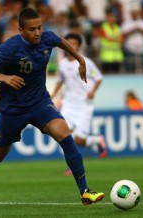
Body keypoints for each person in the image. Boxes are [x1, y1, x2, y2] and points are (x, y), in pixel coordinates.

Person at [0, 7, 104, 213]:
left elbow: (60, 40)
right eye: (32, 29)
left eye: (39, 28)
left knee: (64, 133)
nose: (37, 33)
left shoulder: (46, 38)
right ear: (20, 30)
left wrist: (80, 59)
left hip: (40, 102)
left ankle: (85, 191)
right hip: (14, 109)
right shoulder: (9, 48)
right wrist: (4, 77)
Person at [51, 33, 107, 175]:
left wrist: (93, 90)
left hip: (84, 104)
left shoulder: (85, 61)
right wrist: (52, 95)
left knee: (80, 140)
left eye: (74, 43)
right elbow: (60, 81)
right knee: (62, 135)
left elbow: (99, 77)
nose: (71, 46)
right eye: (69, 43)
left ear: (79, 45)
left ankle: (97, 140)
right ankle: (70, 166)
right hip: (68, 104)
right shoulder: (62, 64)